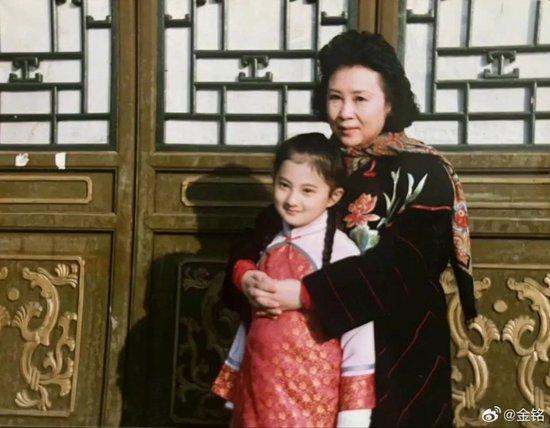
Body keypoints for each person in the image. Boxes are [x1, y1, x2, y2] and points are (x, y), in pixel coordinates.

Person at [222, 30, 477, 427]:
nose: (344, 113)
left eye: (360, 99)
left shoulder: (424, 173)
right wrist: (248, 277)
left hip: (397, 349)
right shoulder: (319, 163)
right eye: (335, 97)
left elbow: (405, 267)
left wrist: (305, 293)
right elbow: (260, 236)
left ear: (389, 102)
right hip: (303, 361)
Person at [212, 133, 376, 427]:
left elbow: (359, 338)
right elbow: (251, 322)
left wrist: (353, 416)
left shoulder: (342, 252)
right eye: (283, 185)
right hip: (259, 386)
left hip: (313, 398)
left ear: (334, 196)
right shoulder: (268, 242)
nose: (291, 200)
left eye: (307, 191)